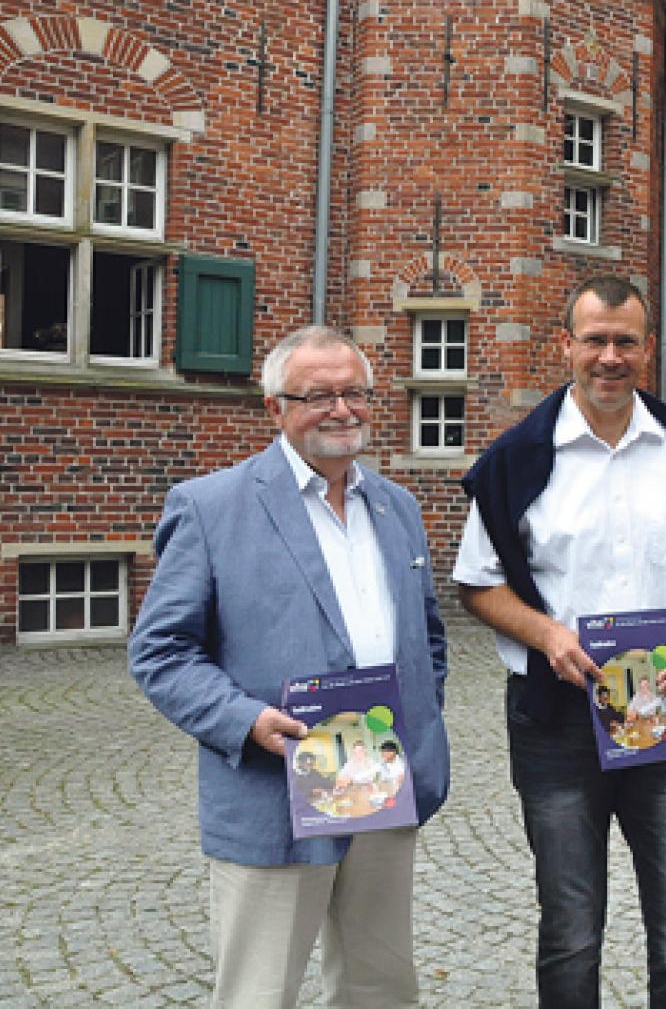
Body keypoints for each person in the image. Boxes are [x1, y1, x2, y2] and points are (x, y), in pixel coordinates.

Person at [128, 325, 450, 1008]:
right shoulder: (211, 507)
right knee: (260, 991)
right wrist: (244, 720)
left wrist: (418, 721)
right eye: (318, 396)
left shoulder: (397, 506)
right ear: (275, 407)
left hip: (380, 783)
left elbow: (427, 637)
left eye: (355, 392)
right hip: (274, 791)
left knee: (381, 989)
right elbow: (161, 650)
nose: (342, 409)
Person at [453, 275, 666, 1008]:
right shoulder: (517, 459)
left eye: (625, 342)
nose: (609, 357)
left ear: (648, 348)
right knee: (571, 936)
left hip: (664, 716)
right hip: (555, 721)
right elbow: (478, 584)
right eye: (594, 340)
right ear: (566, 345)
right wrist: (546, 632)